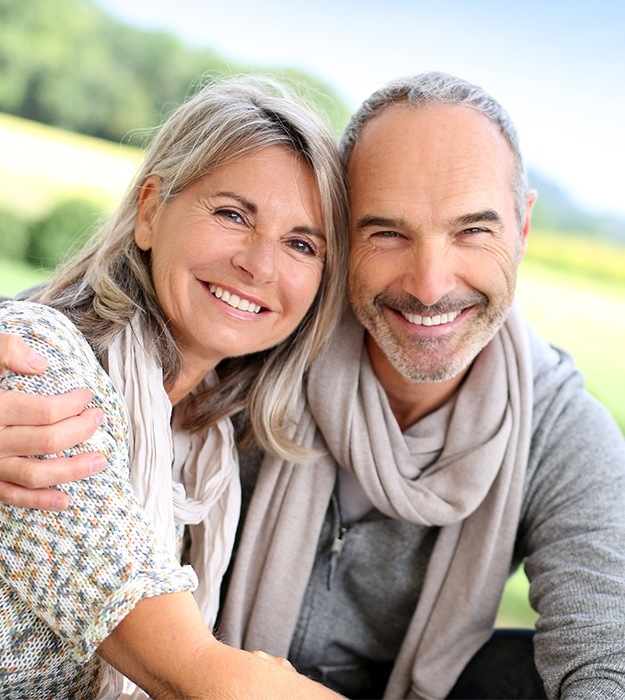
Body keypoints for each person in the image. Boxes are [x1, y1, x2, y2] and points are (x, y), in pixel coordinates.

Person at [2, 71, 625, 699]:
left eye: (473, 230)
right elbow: (57, 338)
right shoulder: (247, 357)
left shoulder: (561, 433)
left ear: (522, 228)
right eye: (387, 231)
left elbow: (610, 657)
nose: (431, 284)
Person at [0, 76, 348, 699]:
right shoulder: (40, 366)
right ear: (151, 211)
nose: (259, 264)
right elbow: (202, 679)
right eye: (233, 214)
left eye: (301, 244)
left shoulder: (213, 446)